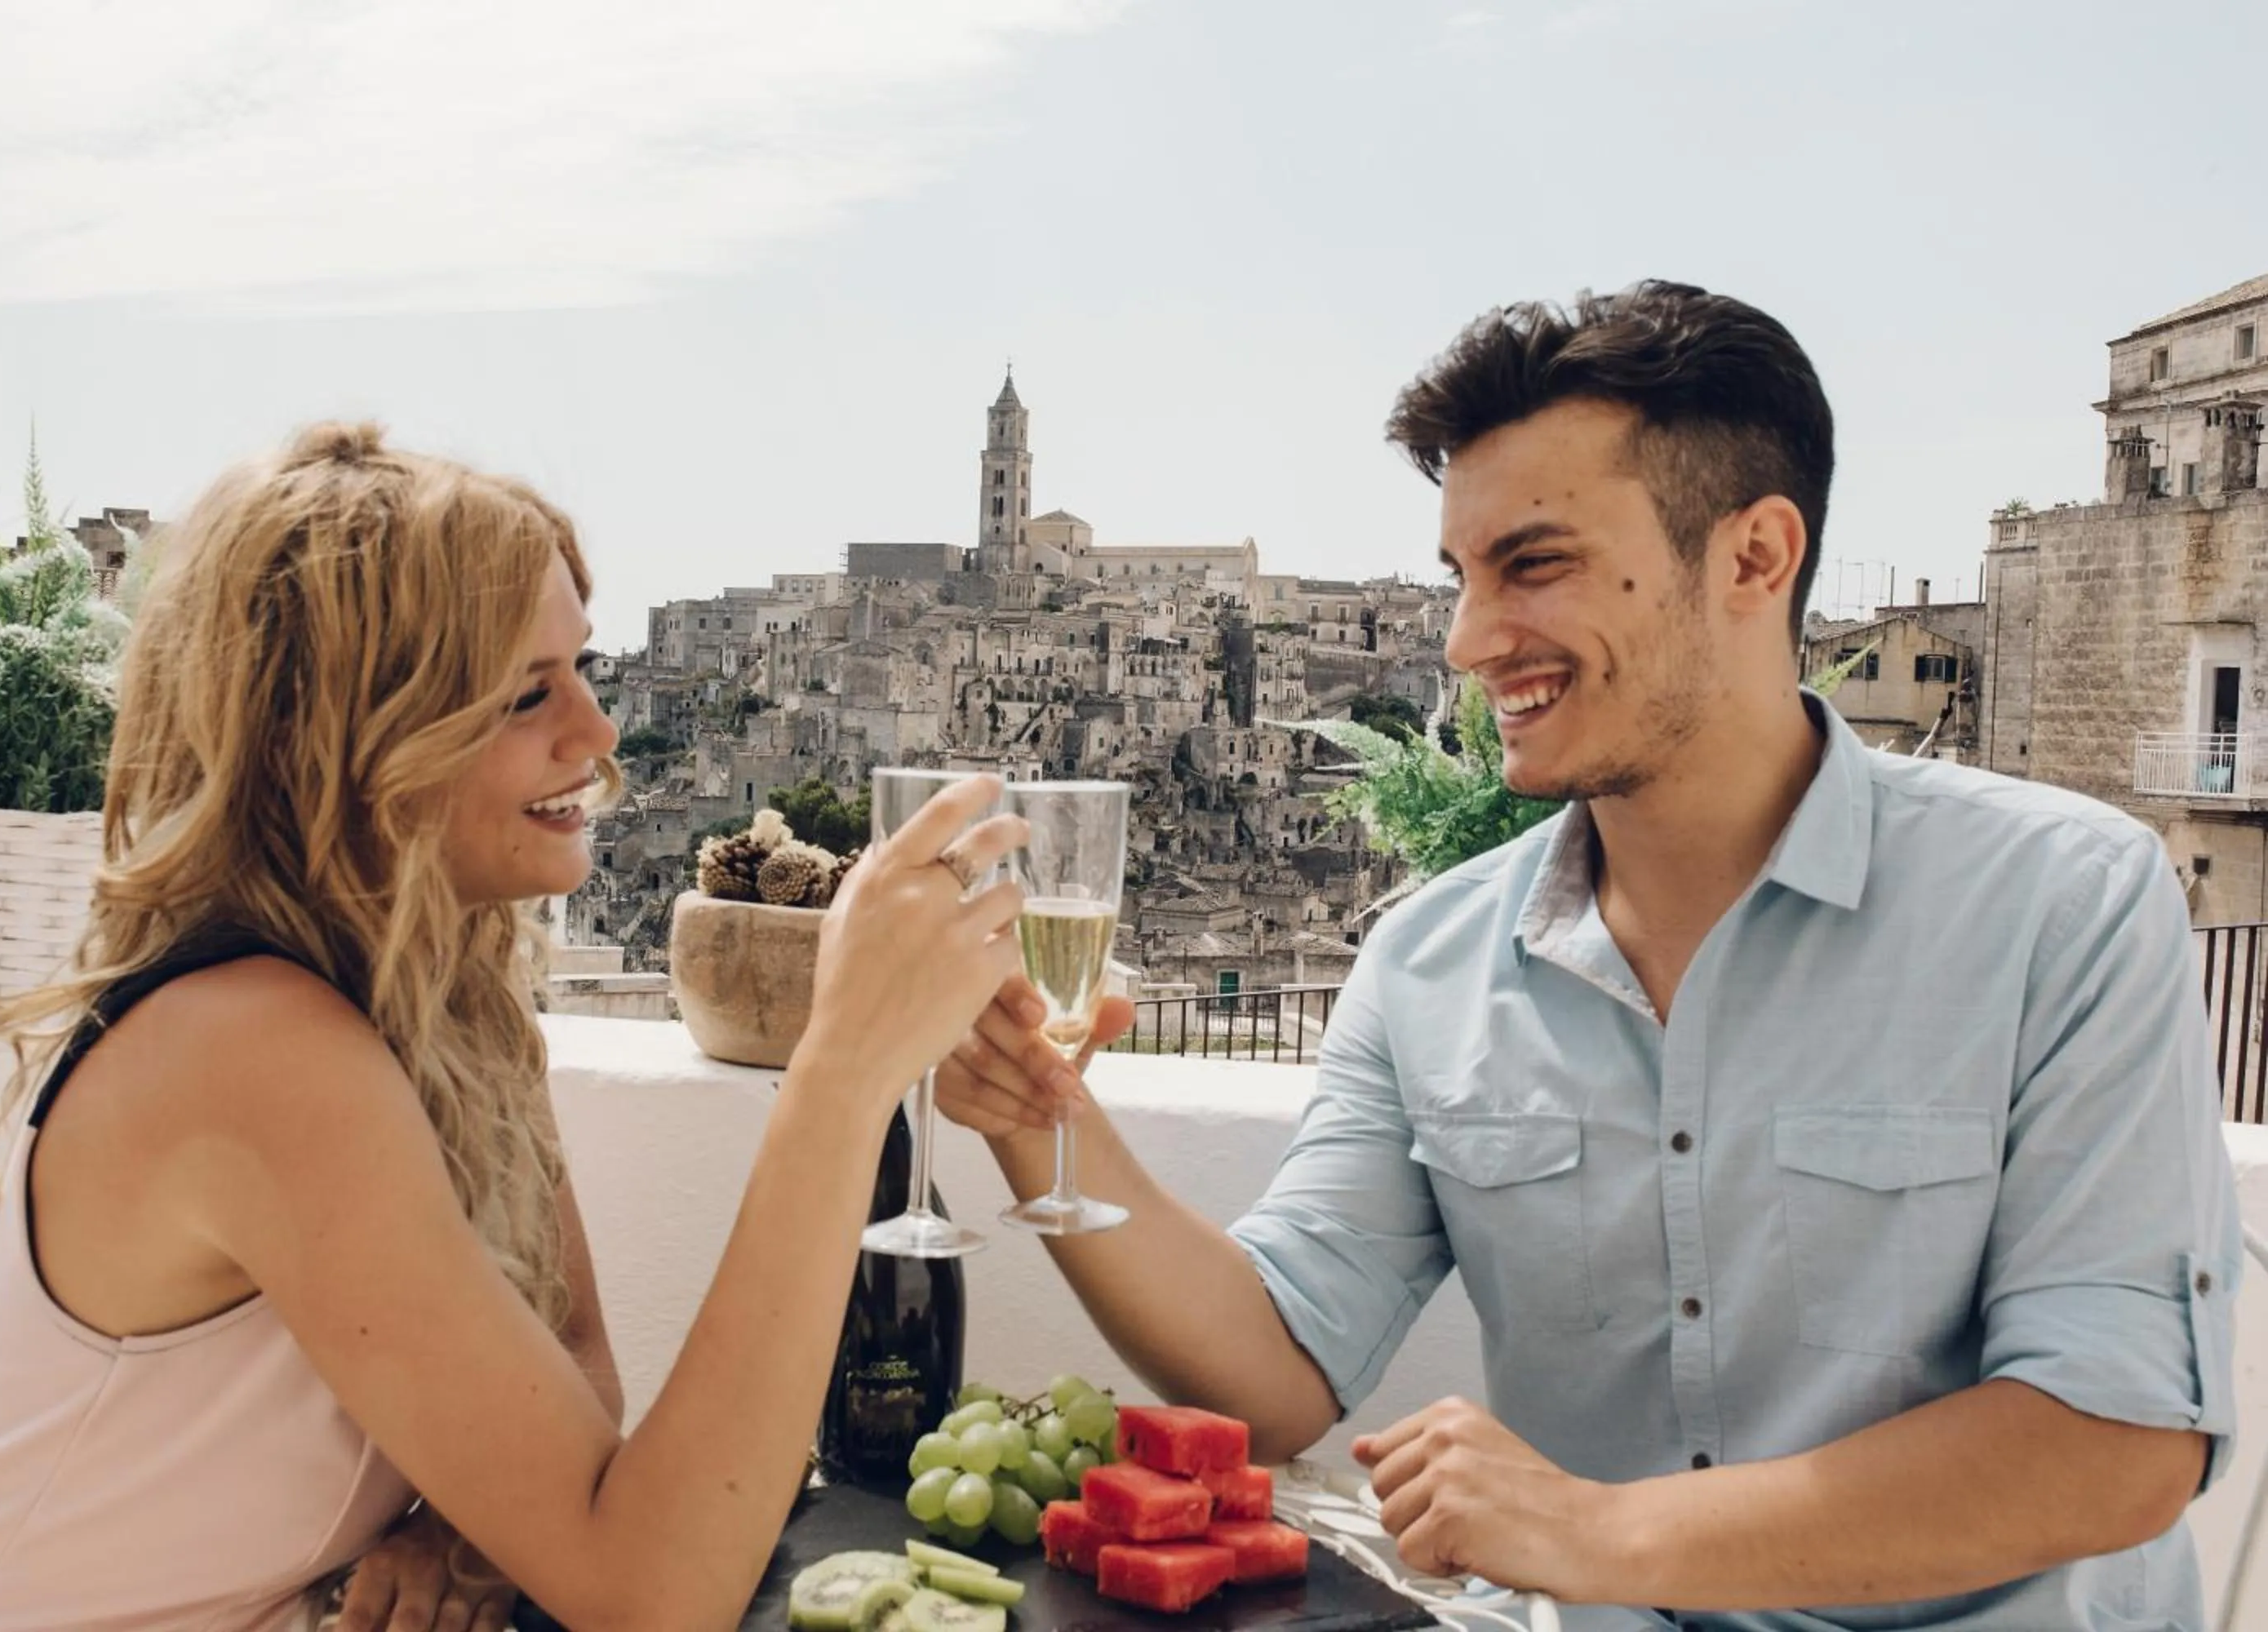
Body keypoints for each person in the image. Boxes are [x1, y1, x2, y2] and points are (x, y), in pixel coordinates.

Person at [938, 281, 2241, 1630]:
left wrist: (1604, 1532)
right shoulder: (1431, 962)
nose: (1466, 641)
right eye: (1464, 577)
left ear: (1754, 558)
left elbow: (2117, 1437)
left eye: (1535, 565)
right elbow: (1274, 1370)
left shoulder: (2061, 905)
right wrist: (1042, 1115)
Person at [0, 423, 1028, 1632]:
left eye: (581, 668)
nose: (599, 733)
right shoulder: (252, 1051)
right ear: (350, 734)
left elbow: (578, 1368)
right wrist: (842, 1071)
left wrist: (470, 1522)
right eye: (526, 694)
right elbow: (652, 1597)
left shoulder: (453, 1005)